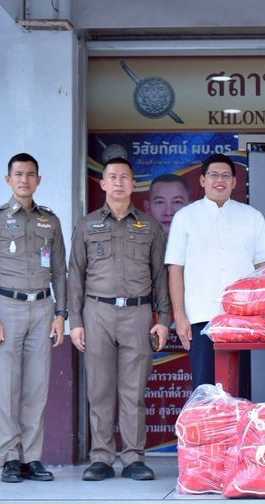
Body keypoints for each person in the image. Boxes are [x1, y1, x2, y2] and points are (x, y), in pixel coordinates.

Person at [68, 157, 171, 482]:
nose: (118, 182)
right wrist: (76, 321)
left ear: (132, 183)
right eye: (112, 177)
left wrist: (163, 318)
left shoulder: (149, 226)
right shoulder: (86, 225)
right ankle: (101, 457)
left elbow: (160, 276)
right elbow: (75, 276)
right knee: (99, 389)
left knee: (133, 391)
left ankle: (133, 458)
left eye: (124, 177)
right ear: (102, 184)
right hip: (96, 312)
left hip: (138, 314)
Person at [0, 153, 67, 483]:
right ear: (8, 179)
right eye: (18, 174)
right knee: (7, 387)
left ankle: (32, 457)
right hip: (7, 308)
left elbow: (59, 270)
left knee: (36, 388)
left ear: (38, 180)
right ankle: (10, 457)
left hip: (43, 309)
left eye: (30, 174)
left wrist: (61, 314)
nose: (24, 179)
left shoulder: (49, 220)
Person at [165, 153, 265, 390]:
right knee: (204, 387)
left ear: (234, 182)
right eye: (214, 175)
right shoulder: (185, 217)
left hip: (244, 319)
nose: (219, 180)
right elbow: (175, 269)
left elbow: (263, 269)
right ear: (203, 180)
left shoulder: (252, 217)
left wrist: (262, 315)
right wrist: (180, 316)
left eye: (226, 175)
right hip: (201, 316)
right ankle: (206, 428)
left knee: (240, 387)